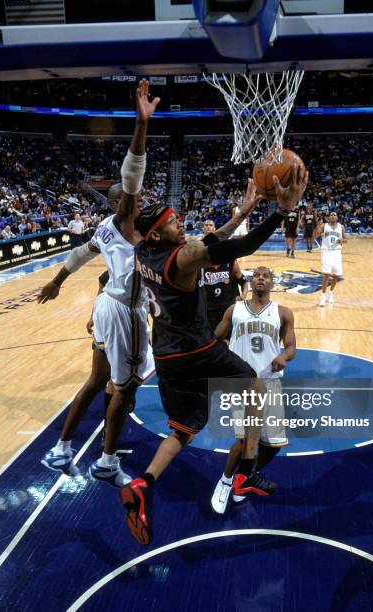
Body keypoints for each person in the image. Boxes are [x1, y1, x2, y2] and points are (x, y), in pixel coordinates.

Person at [119, 165, 308, 545]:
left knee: (184, 428)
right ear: (159, 232)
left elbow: (209, 242)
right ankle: (245, 472)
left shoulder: (143, 250)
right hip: (196, 348)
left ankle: (144, 483)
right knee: (255, 385)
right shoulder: (183, 258)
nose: (181, 224)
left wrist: (241, 212)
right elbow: (241, 247)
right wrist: (281, 212)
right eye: (174, 223)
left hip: (166, 354)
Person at [36, 79, 159, 485]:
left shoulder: (105, 228)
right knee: (126, 388)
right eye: (133, 199)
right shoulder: (124, 220)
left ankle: (61, 449)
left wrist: (57, 282)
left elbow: (79, 255)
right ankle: (106, 461)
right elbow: (133, 170)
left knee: (96, 380)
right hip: (124, 311)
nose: (139, 201)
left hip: (107, 304)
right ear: (120, 202)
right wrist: (141, 124)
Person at [210, 266, 296, 514]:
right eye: (256, 275)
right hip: (242, 382)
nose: (260, 278)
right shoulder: (234, 309)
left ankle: (245, 478)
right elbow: (215, 339)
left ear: (272, 282)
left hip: (270, 382)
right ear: (250, 280)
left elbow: (292, 347)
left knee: (274, 444)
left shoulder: (284, 313)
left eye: (265, 276)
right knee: (245, 438)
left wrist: (283, 355)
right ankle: (226, 481)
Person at [201, 219, 249, 333]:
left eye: (210, 225)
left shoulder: (229, 259)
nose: (208, 227)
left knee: (229, 340)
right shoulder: (199, 258)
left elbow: (243, 281)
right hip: (208, 309)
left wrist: (244, 295)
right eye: (206, 225)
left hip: (228, 308)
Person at [316, 211, 347, 307]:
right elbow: (316, 235)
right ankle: (322, 296)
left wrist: (342, 240)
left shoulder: (341, 227)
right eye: (331, 215)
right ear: (329, 217)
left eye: (335, 215)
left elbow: (346, 240)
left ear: (337, 217)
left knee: (336, 275)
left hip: (337, 252)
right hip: (326, 251)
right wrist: (318, 225)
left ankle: (331, 293)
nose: (333, 216)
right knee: (326, 274)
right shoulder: (324, 226)